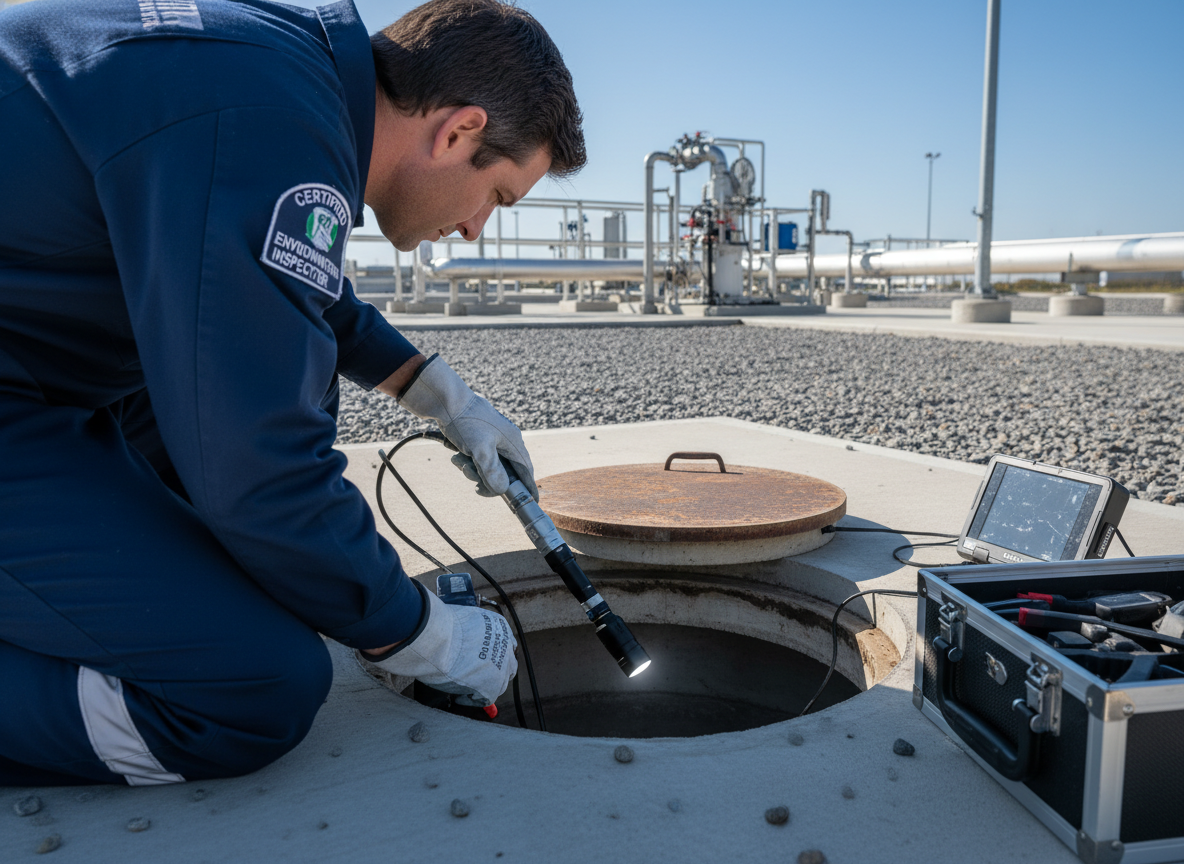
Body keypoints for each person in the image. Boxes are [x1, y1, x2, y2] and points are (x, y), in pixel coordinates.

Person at [0, 0, 584, 786]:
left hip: (28, 347)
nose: (478, 229)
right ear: (458, 132)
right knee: (256, 686)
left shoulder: (278, 69)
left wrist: (438, 393)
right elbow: (259, 464)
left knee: (273, 558)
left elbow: (259, 269)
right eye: (499, 197)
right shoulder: (266, 122)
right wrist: (416, 633)